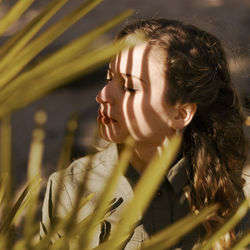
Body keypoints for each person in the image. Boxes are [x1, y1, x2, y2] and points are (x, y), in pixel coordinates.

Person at [40, 19, 249, 249]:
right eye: (109, 78)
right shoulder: (69, 189)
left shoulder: (237, 197)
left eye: (129, 87)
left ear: (181, 113)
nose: (103, 95)